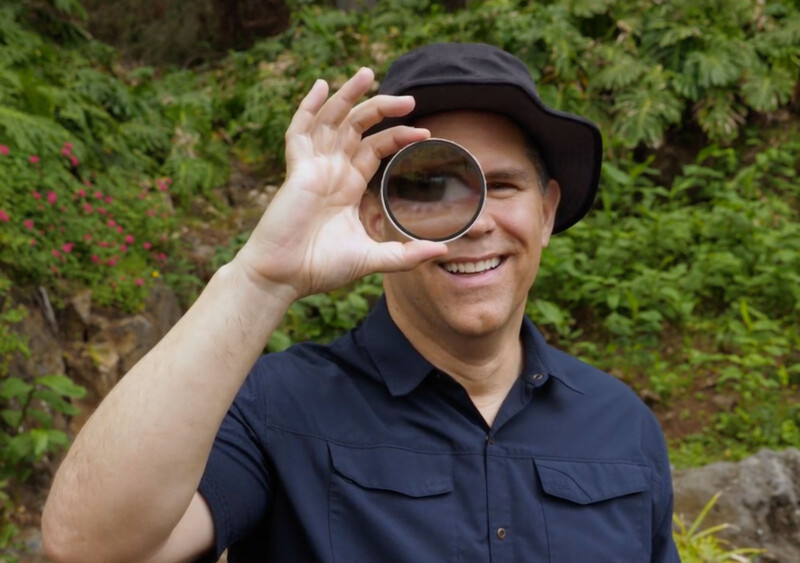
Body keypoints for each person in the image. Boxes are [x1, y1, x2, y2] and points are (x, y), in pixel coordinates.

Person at [42, 43, 679, 562]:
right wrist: (263, 277)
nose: (475, 220)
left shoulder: (622, 427)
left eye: (504, 185)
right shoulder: (275, 406)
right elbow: (91, 547)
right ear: (376, 219)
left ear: (545, 213)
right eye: (432, 186)